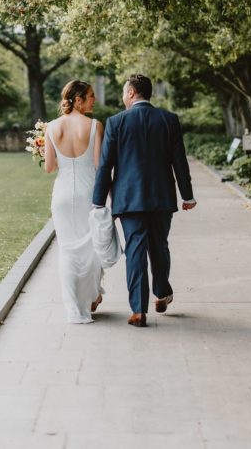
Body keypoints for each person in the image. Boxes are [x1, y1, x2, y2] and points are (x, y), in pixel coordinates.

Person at [92, 74, 196, 328]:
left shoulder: (116, 122)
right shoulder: (168, 120)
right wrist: (187, 195)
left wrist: (97, 201)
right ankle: (161, 292)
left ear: (131, 93)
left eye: (123, 92)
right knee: (159, 245)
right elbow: (179, 161)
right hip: (162, 196)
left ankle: (139, 310)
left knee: (135, 250)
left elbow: (106, 165)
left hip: (129, 199)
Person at [45, 80, 120, 324]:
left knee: (67, 250)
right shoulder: (95, 126)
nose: (93, 100)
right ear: (77, 100)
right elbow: (100, 166)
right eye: (90, 96)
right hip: (88, 193)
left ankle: (74, 310)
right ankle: (90, 297)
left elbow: (49, 167)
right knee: (92, 248)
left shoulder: (52, 127)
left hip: (63, 196)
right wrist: (111, 197)